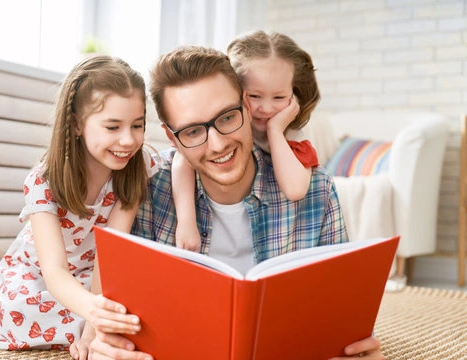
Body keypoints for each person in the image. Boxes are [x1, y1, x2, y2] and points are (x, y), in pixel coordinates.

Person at [87, 43, 385, 360]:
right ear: (172, 138)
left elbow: (343, 315)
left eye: (227, 117)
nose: (217, 144)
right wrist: (108, 348)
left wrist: (358, 350)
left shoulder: (316, 189)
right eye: (191, 131)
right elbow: (120, 319)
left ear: (246, 105)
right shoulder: (148, 191)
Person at [0, 55, 157, 354]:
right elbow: (54, 270)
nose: (128, 140)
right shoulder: (43, 181)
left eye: (137, 125)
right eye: (113, 127)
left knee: (136, 308)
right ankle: (95, 325)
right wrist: (93, 312)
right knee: (23, 313)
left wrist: (93, 329)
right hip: (39, 274)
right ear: (76, 124)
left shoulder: (138, 165)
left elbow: (108, 256)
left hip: (94, 274)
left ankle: (95, 328)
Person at [172, 30, 319, 251]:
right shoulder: (225, 126)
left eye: (279, 97)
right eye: (254, 96)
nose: (266, 108)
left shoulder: (293, 137)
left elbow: (295, 190)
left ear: (294, 96)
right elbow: (182, 159)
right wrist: (186, 222)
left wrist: (275, 131)